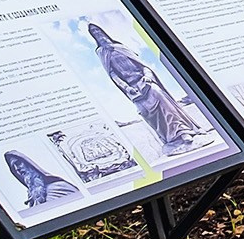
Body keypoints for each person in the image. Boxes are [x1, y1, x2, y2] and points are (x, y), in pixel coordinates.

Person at [86, 21, 203, 153]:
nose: (98, 34)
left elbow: (143, 66)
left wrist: (148, 76)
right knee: (144, 111)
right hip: (133, 89)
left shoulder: (120, 47)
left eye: (98, 31)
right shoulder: (102, 52)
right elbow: (112, 74)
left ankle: (183, 131)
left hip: (144, 81)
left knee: (160, 96)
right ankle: (171, 138)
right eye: (94, 33)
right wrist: (126, 87)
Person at [4, 149, 79, 208]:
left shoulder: (58, 187)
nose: (17, 169)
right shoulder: (32, 199)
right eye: (14, 168)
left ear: (29, 164)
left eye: (18, 163)